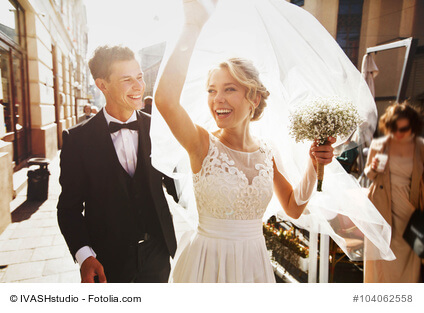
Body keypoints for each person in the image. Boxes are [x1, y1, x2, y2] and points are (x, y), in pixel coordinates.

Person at [154, 0, 335, 283]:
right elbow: (165, 100)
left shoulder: (266, 152)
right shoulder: (202, 144)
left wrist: (313, 165)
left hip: (252, 266)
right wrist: (192, 26)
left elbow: (294, 206)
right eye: (212, 90)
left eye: (229, 89)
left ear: (254, 98)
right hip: (206, 266)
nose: (218, 100)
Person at [57, 45, 177, 283]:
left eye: (140, 77)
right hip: (106, 262)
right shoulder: (77, 140)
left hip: (158, 255)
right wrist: (85, 256)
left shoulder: (159, 129)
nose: (138, 86)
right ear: (102, 85)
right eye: (127, 79)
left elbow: (179, 187)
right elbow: (68, 209)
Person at [364, 102, 424, 283]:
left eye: (403, 129)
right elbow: (369, 174)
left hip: (410, 210)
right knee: (382, 258)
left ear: (412, 127)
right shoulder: (379, 145)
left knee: (408, 259)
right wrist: (373, 167)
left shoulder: (420, 147)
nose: (398, 133)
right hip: (382, 208)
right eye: (394, 128)